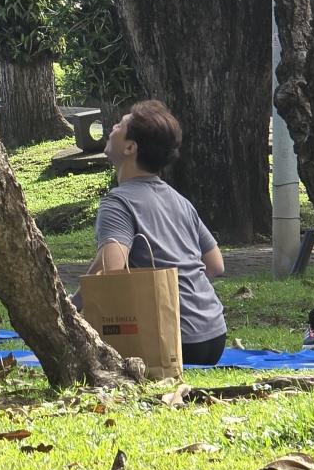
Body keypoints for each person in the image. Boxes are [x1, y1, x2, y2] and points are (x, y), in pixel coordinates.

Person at [74, 100, 227, 365]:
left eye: (120, 125)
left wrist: (72, 307)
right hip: (214, 337)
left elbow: (112, 271)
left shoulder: (118, 202)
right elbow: (215, 265)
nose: (112, 127)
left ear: (130, 147)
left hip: (172, 342)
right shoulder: (180, 200)